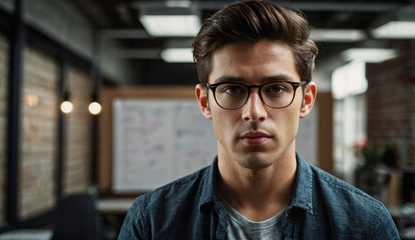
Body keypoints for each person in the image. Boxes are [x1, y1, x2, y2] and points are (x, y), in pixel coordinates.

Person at [118, 0, 399, 239]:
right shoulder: (151, 223)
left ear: (306, 100)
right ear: (205, 101)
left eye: (276, 89)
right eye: (232, 89)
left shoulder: (366, 225)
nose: (254, 112)